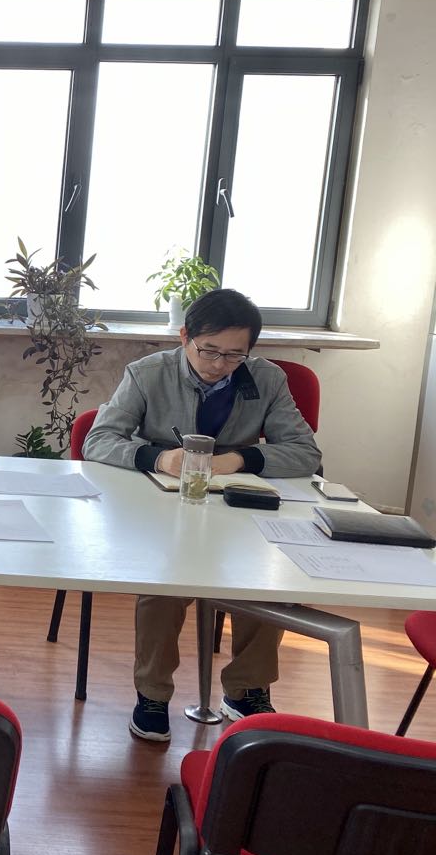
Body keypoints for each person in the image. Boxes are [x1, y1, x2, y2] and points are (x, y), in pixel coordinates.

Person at [81, 288, 321, 743]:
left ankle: (246, 689)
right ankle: (152, 694)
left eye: (234, 355)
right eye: (208, 350)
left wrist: (240, 460)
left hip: (239, 515)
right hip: (162, 512)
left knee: (269, 583)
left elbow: (305, 453)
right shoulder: (148, 373)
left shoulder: (266, 379)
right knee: (164, 587)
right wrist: (158, 458)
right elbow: (98, 440)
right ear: (184, 336)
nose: (218, 364)